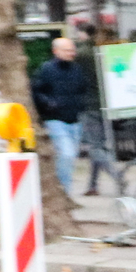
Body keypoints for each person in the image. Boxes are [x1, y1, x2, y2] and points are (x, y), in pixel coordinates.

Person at [30, 34, 94, 192]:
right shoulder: (46, 69)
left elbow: (83, 88)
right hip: (55, 119)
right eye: (66, 50)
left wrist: (81, 105)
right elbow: (36, 90)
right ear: (56, 51)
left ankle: (63, 185)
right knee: (67, 153)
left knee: (70, 157)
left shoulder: (77, 69)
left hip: (74, 118)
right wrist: (48, 103)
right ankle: (64, 189)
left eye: (72, 50)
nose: (71, 53)